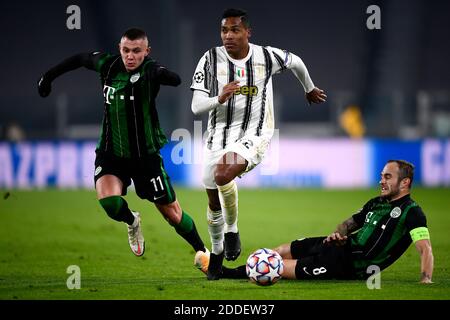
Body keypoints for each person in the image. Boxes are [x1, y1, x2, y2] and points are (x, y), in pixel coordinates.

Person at [38, 27, 208, 260]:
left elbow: (175, 79)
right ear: (119, 49)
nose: (130, 56)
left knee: (172, 214)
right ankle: (132, 220)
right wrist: (48, 77)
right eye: (126, 50)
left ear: (146, 51)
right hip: (111, 152)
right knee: (109, 203)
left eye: (136, 51)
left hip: (145, 157)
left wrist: (161, 74)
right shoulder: (107, 65)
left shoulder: (150, 70)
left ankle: (203, 251)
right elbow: (80, 59)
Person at [190, 8, 327, 280]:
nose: (228, 36)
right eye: (224, 31)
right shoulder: (209, 59)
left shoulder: (266, 56)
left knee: (222, 174)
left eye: (235, 30)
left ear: (247, 32)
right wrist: (219, 98)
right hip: (217, 136)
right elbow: (196, 108)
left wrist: (309, 88)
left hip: (255, 133)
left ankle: (232, 231)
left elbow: (296, 62)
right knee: (213, 201)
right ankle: (216, 254)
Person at [197, 160, 434, 284]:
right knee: (279, 251)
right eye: (382, 175)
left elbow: (425, 249)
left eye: (388, 177)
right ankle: (225, 270)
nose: (381, 180)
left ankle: (225, 274)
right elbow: (348, 224)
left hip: (350, 265)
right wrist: (337, 234)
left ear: (405, 183)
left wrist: (425, 279)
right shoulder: (376, 203)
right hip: (338, 247)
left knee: (277, 267)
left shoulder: (412, 212)